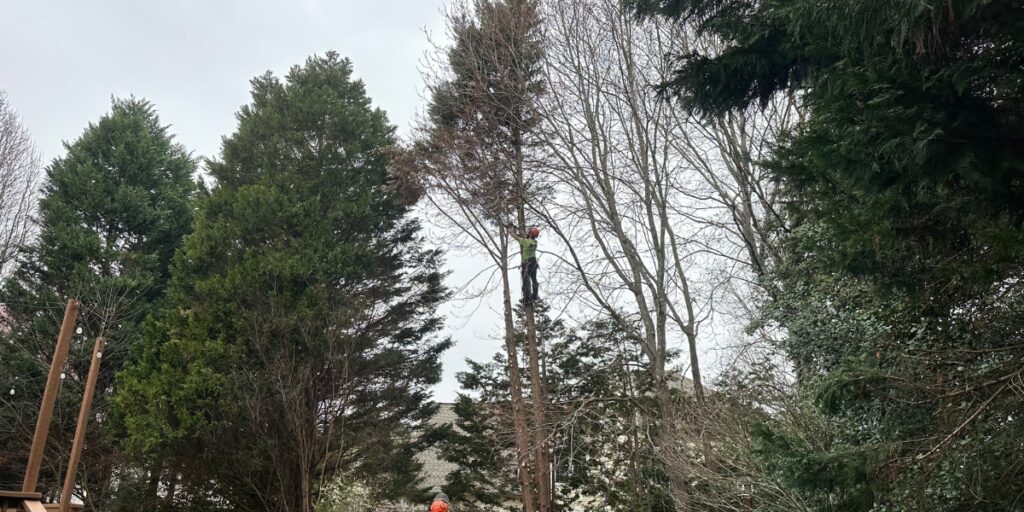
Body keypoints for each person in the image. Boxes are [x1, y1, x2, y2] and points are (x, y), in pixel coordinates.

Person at [507, 225, 540, 303]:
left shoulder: (525, 242)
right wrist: (518, 229)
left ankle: (527, 298)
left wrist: (510, 229)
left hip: (527, 263)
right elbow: (525, 236)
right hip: (534, 263)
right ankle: (534, 296)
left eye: (529, 233)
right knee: (534, 279)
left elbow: (515, 236)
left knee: (525, 280)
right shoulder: (534, 242)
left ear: (531, 234)